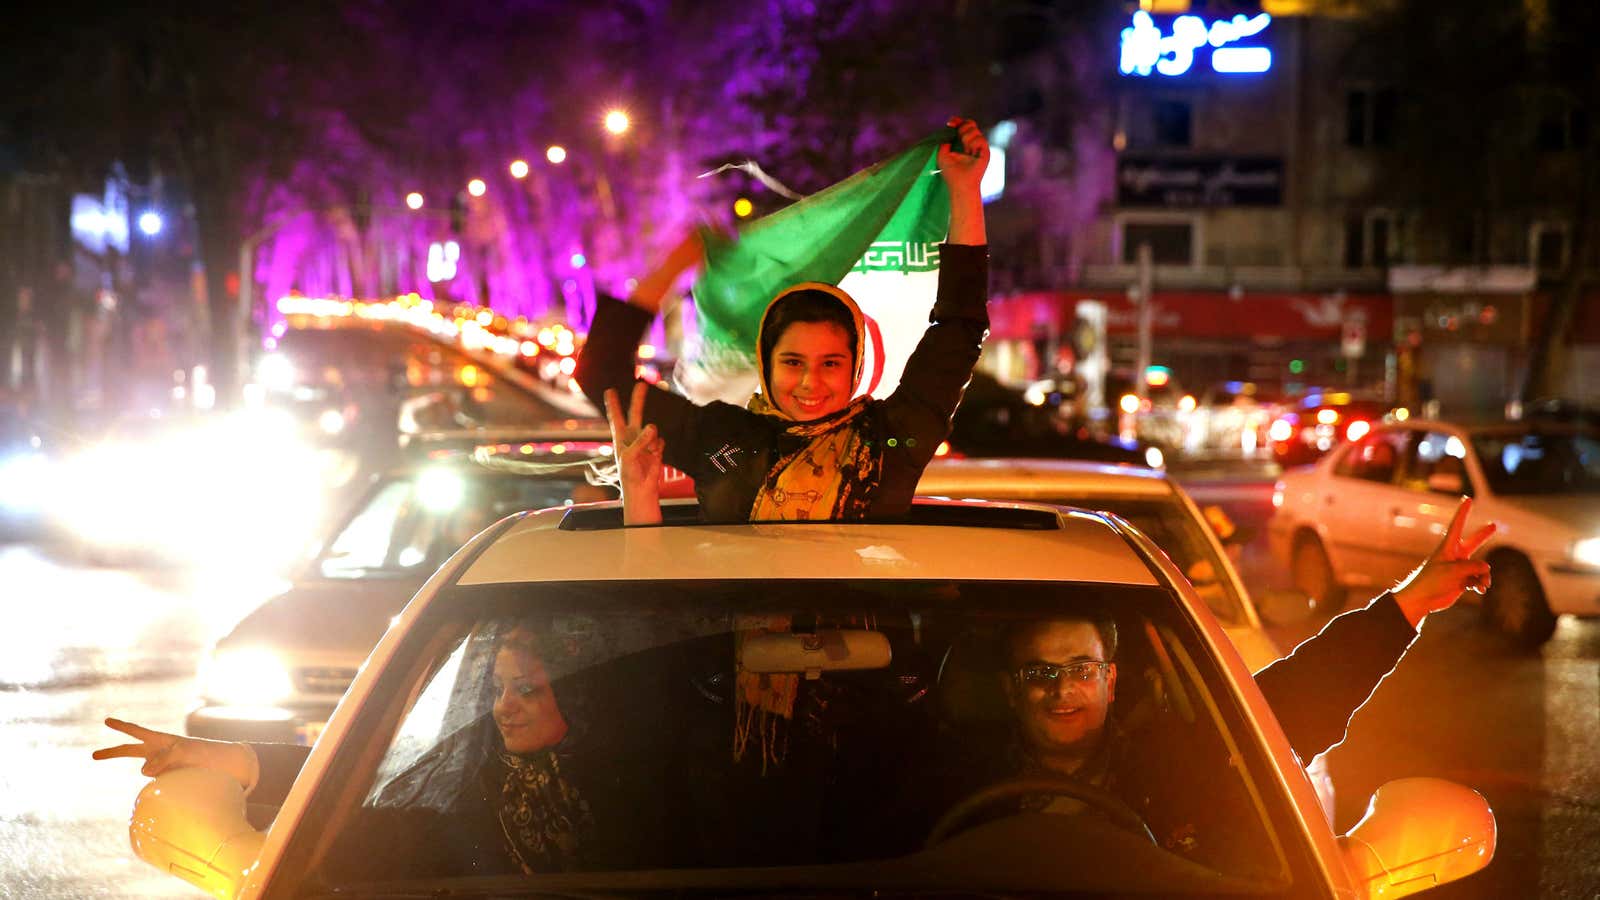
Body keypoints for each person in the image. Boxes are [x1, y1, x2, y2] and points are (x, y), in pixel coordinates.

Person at [965, 497, 1496, 856]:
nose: (1062, 690)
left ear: (1111, 679)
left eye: (1081, 669)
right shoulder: (957, 782)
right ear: (1011, 690)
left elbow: (1294, 699)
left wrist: (1409, 604)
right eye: (1040, 672)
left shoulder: (1179, 766)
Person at [580, 117, 991, 525]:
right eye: (793, 362)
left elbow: (960, 327)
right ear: (766, 362)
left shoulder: (890, 441)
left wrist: (964, 189)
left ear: (855, 366)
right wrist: (672, 268)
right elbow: (601, 374)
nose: (810, 383)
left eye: (830, 363)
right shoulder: (724, 442)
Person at [94, 622, 607, 876]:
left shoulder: (633, 775)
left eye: (528, 689)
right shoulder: (464, 774)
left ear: (576, 693)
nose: (504, 707)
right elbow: (349, 775)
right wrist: (201, 753)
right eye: (496, 689)